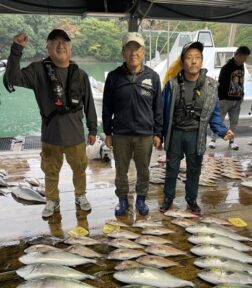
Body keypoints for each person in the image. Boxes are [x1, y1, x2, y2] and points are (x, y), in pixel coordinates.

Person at [4, 29, 97, 218]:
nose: (60, 45)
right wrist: (16, 49)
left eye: (65, 42)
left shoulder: (81, 74)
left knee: (79, 170)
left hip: (76, 136)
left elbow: (89, 104)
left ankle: (81, 196)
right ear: (48, 47)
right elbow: (13, 78)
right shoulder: (38, 70)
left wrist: (93, 129)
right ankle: (52, 200)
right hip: (50, 136)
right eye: (55, 41)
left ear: (70, 49)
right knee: (50, 172)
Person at [160, 41, 233, 215]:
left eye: (197, 58)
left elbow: (214, 113)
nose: (193, 61)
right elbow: (162, 111)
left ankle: (191, 200)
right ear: (183, 61)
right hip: (175, 133)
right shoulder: (172, 84)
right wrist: (157, 133)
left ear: (202, 61)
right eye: (189, 58)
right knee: (171, 168)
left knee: (194, 170)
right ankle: (168, 197)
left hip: (196, 134)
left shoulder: (211, 86)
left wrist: (222, 131)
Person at [102, 32, 163, 216]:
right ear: (123, 52)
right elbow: (106, 107)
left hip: (145, 134)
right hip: (120, 133)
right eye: (129, 48)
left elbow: (158, 107)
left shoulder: (153, 77)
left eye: (137, 49)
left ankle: (142, 198)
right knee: (121, 171)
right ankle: (122, 199)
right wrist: (108, 133)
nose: (133, 53)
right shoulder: (114, 77)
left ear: (143, 52)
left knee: (143, 170)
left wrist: (158, 133)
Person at [208, 45, 251, 151]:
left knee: (234, 122)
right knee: (219, 120)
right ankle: (213, 140)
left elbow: (241, 82)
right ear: (237, 55)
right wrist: (220, 98)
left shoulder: (241, 67)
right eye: (244, 58)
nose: (244, 60)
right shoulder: (226, 67)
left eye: (246, 58)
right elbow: (220, 84)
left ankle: (231, 141)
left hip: (236, 100)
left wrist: (242, 95)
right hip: (225, 100)